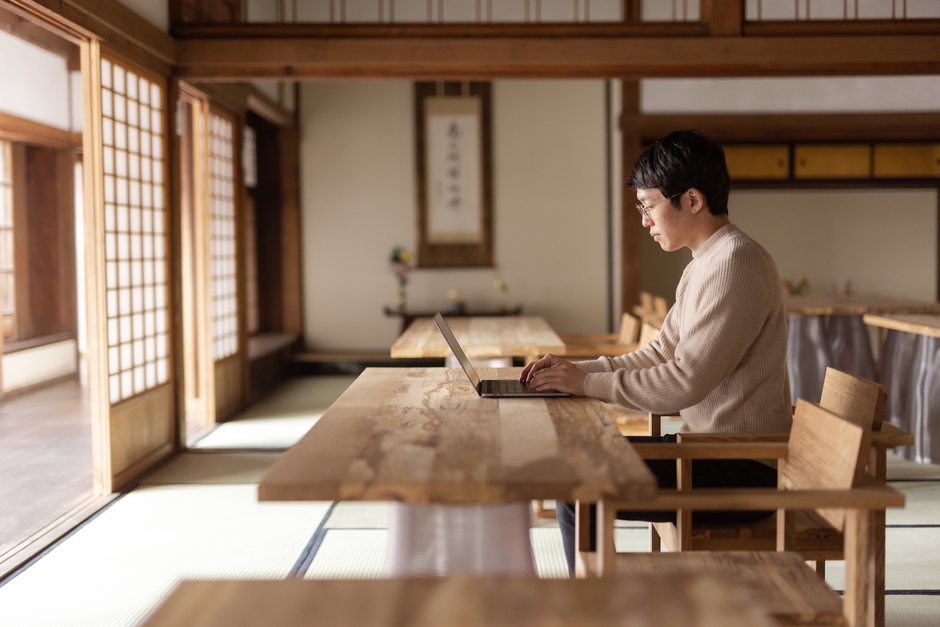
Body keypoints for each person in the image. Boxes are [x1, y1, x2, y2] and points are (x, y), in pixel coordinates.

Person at [519, 129, 792, 572]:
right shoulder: (707, 261)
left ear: (692, 200)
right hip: (706, 453)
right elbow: (660, 351)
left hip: (742, 467)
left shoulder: (736, 264)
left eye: (649, 206)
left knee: (576, 482)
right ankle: (591, 603)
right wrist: (576, 371)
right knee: (577, 461)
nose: (645, 220)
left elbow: (684, 380)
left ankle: (587, 610)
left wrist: (586, 384)